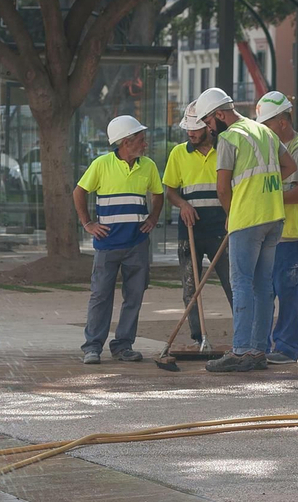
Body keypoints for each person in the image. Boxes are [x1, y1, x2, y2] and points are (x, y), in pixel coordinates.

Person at [190, 88, 297, 373]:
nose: (210, 129)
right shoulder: (265, 132)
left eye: (209, 122)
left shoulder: (228, 138)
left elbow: (222, 188)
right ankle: (258, 351)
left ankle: (239, 352)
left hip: (247, 220)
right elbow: (289, 165)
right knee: (263, 286)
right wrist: (264, 190)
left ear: (220, 115)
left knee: (241, 285)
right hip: (274, 217)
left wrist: (230, 214)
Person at [74, 115, 162, 364]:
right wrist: (88, 224)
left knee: (134, 295)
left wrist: (153, 218)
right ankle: (92, 346)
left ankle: (123, 345)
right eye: (141, 140)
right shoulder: (101, 164)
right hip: (107, 244)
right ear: (126, 142)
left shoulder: (148, 166)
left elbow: (158, 194)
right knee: (100, 295)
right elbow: (78, 192)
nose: (145, 144)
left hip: (137, 243)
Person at [253, 91, 298, 364]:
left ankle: (287, 348)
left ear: (282, 121)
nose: (265, 129)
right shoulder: (273, 150)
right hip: (274, 234)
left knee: (288, 294)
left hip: (292, 236)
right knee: (267, 293)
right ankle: (266, 346)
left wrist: (271, 197)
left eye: (267, 123)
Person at [162, 102, 232, 353]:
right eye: (188, 129)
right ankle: (197, 336)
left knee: (233, 283)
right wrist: (182, 204)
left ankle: (245, 335)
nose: (190, 133)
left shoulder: (225, 148)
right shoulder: (178, 153)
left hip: (221, 229)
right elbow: (170, 190)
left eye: (195, 128)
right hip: (190, 229)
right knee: (190, 286)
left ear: (208, 126)